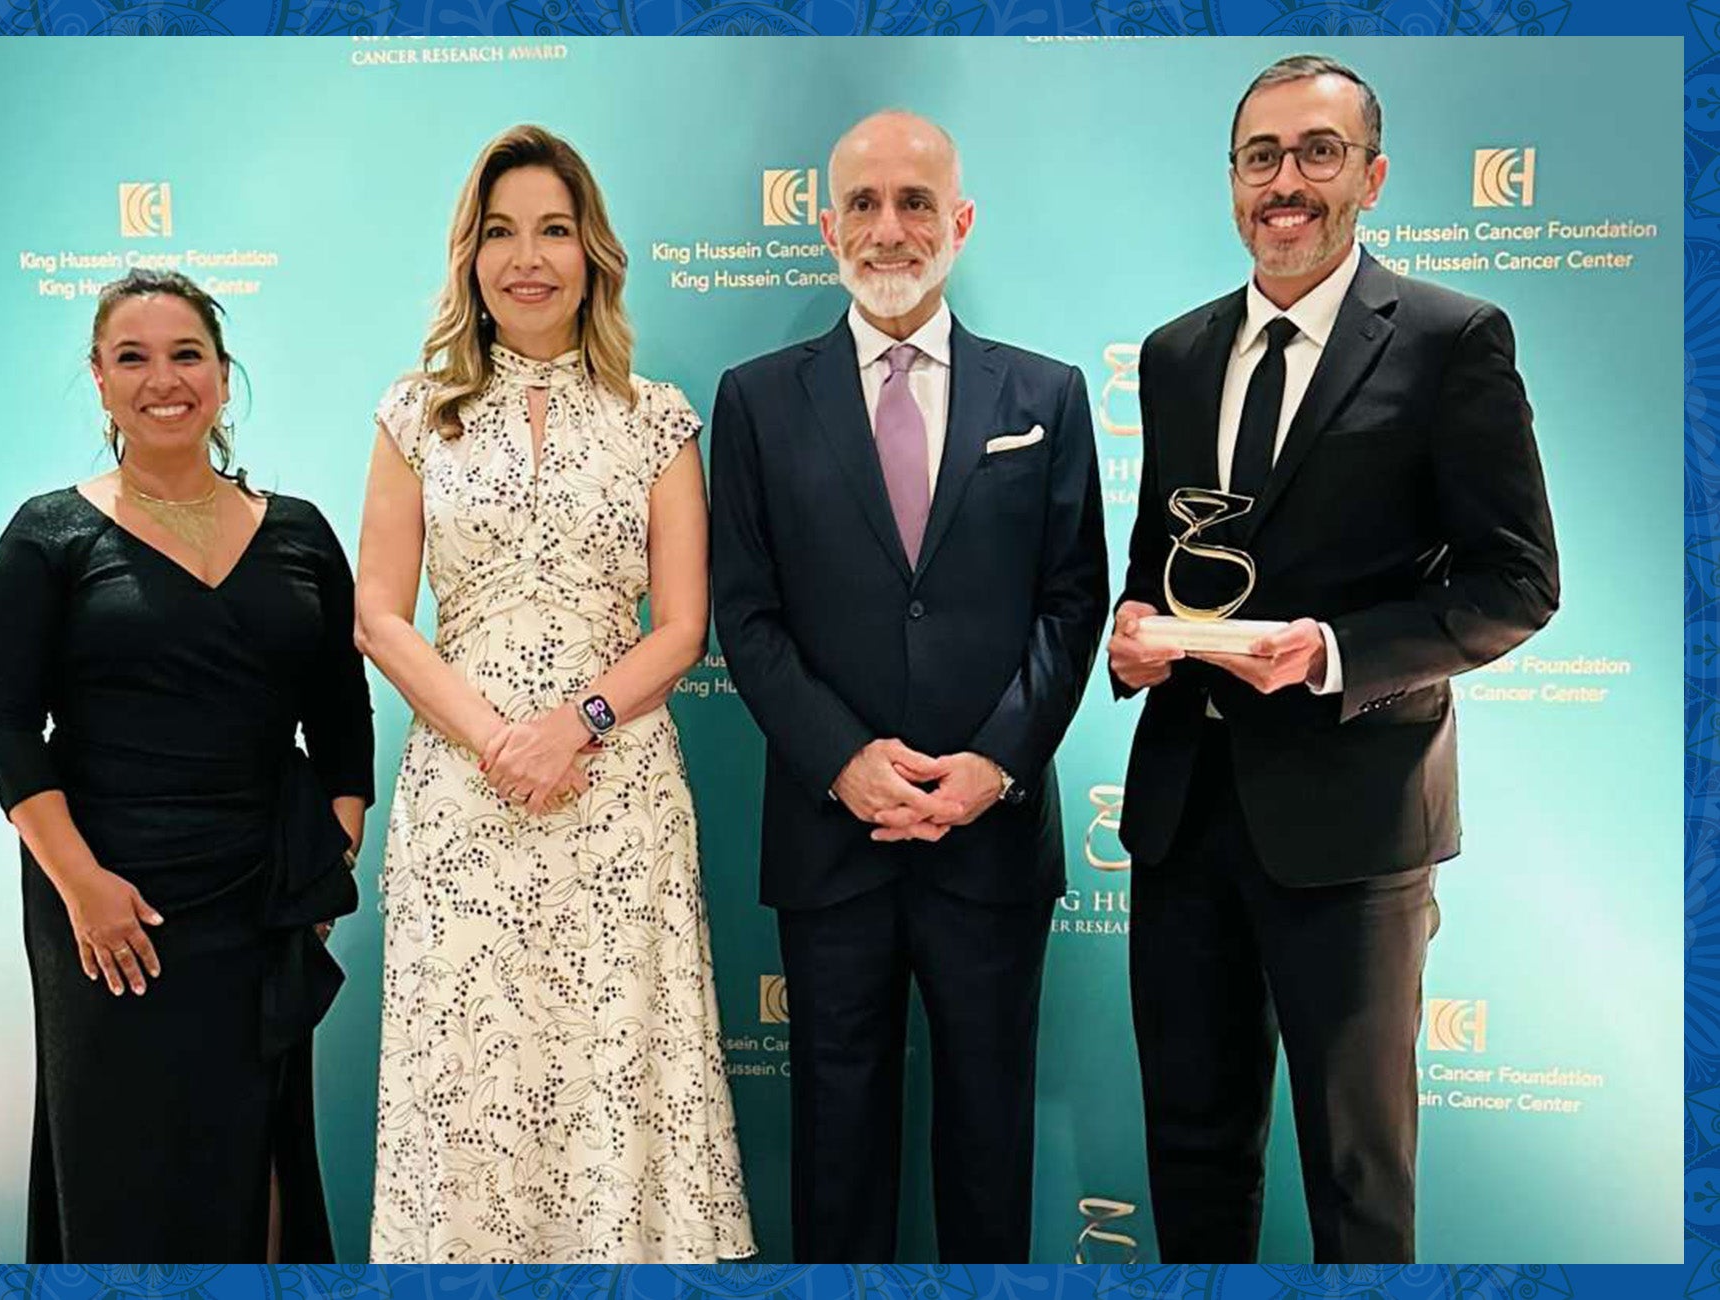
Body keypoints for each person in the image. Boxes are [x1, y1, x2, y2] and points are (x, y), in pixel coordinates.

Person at [1107, 55, 1560, 1263]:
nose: (1287, 182)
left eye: (1317, 152)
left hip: (1356, 831)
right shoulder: (1175, 352)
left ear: (1372, 175)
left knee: (1358, 1181)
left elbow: (1518, 583)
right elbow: (1166, 553)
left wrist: (1333, 655)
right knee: (1193, 1158)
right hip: (1184, 816)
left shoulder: (1452, 339)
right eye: (1262, 157)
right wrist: (1133, 633)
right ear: (1233, 183)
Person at [708, 109, 1109, 1263]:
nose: (891, 230)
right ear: (826, 223)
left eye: (917, 203)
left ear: (960, 221)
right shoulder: (757, 399)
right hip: (834, 842)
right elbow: (747, 613)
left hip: (990, 836)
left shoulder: (1046, 394)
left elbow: (1073, 602)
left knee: (990, 1139)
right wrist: (844, 761)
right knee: (838, 1144)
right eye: (867, 205)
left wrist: (994, 764)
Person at [357, 123, 754, 1264]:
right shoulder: (415, 413)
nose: (527, 258)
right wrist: (495, 738)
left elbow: (682, 623)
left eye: (553, 230)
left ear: (593, 252)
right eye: (500, 233)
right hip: (464, 794)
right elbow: (380, 610)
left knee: (616, 1073)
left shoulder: (657, 414)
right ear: (470, 256)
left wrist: (572, 725)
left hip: (616, 793)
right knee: (471, 1085)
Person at [0, 269, 374, 1262]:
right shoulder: (47, 536)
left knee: (256, 1153)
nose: (164, 379)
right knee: (121, 1161)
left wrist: (329, 862)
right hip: (110, 904)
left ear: (224, 378)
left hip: (258, 895)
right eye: (133, 357)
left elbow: (342, 720)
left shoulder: (300, 533)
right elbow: (6, 725)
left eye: (187, 354)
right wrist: (82, 885)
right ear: (99, 382)